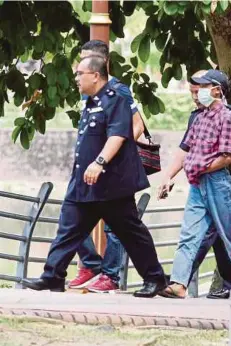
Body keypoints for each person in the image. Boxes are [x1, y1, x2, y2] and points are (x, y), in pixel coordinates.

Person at [21, 55, 166, 298]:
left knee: (131, 233)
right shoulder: (90, 101)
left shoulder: (116, 100)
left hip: (110, 185)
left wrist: (99, 162)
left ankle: (155, 279)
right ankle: (53, 276)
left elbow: (118, 136)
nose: (76, 78)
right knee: (67, 229)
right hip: (84, 183)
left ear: (95, 75)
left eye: (80, 73)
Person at [159, 69, 231, 298]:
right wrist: (168, 176)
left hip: (218, 183)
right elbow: (186, 149)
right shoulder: (198, 117)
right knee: (189, 232)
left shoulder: (228, 117)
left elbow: (230, 156)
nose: (197, 93)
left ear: (216, 90)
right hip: (198, 183)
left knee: (229, 234)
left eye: (202, 87)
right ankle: (179, 283)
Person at [68, 40, 147, 293]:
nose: (80, 69)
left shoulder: (118, 91)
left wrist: (110, 155)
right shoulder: (87, 93)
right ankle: (91, 264)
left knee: (119, 224)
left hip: (113, 169)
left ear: (101, 65)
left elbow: (136, 126)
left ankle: (111, 275)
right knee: (72, 216)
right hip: (92, 168)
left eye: (87, 63)